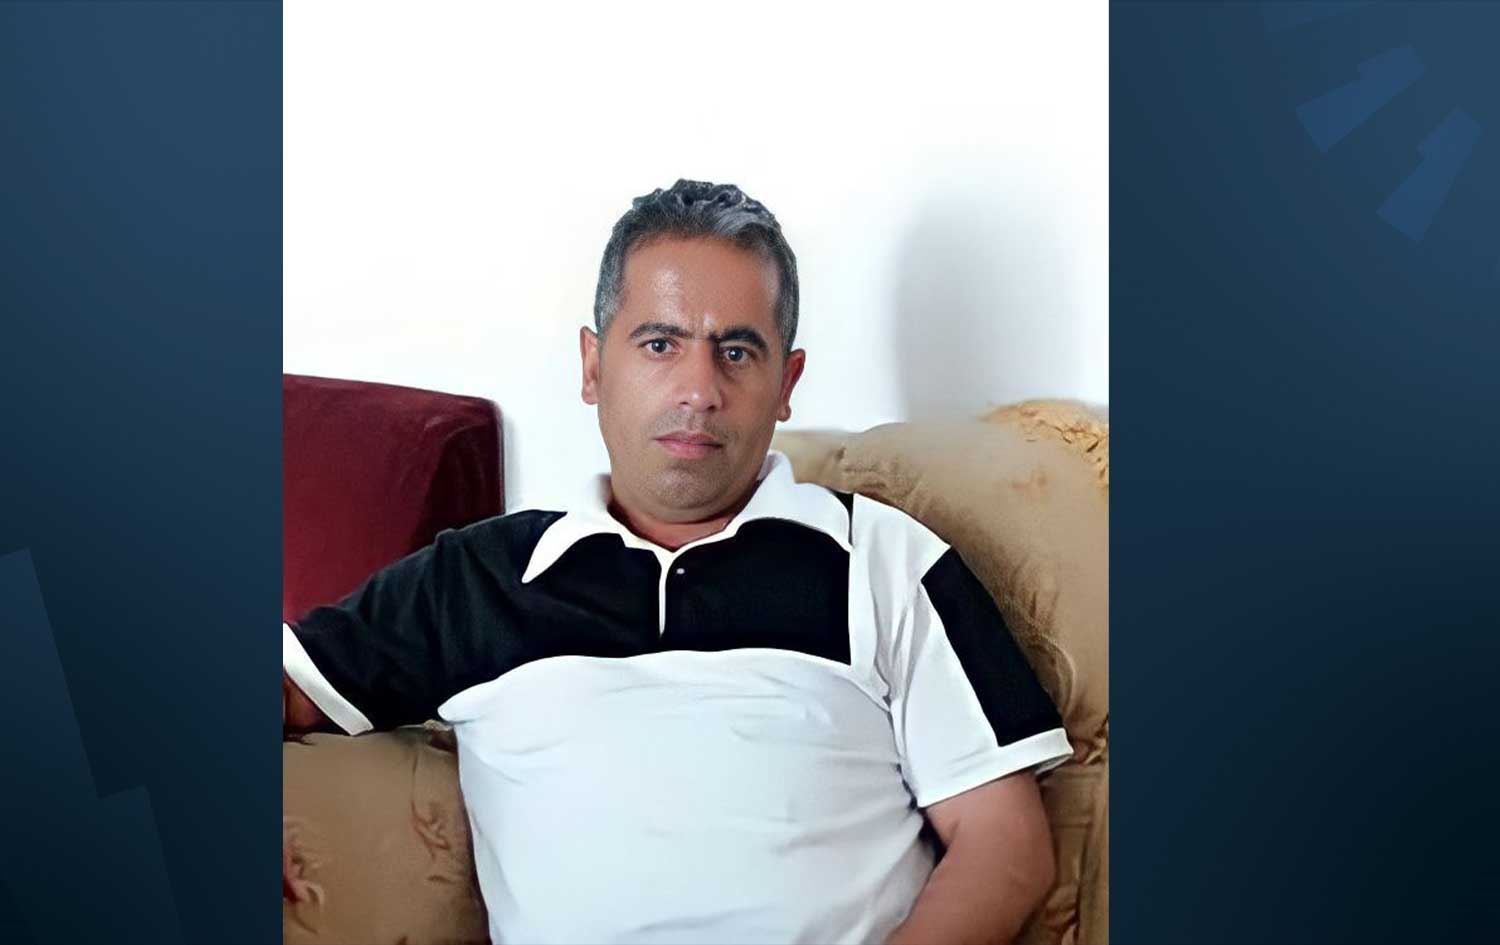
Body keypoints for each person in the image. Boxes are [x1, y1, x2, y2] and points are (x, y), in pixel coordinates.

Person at [281, 179, 1072, 945]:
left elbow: (1005, 844)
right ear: (594, 366)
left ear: (786, 381)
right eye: (660, 344)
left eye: (738, 351)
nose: (699, 390)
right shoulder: (480, 577)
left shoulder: (886, 562)